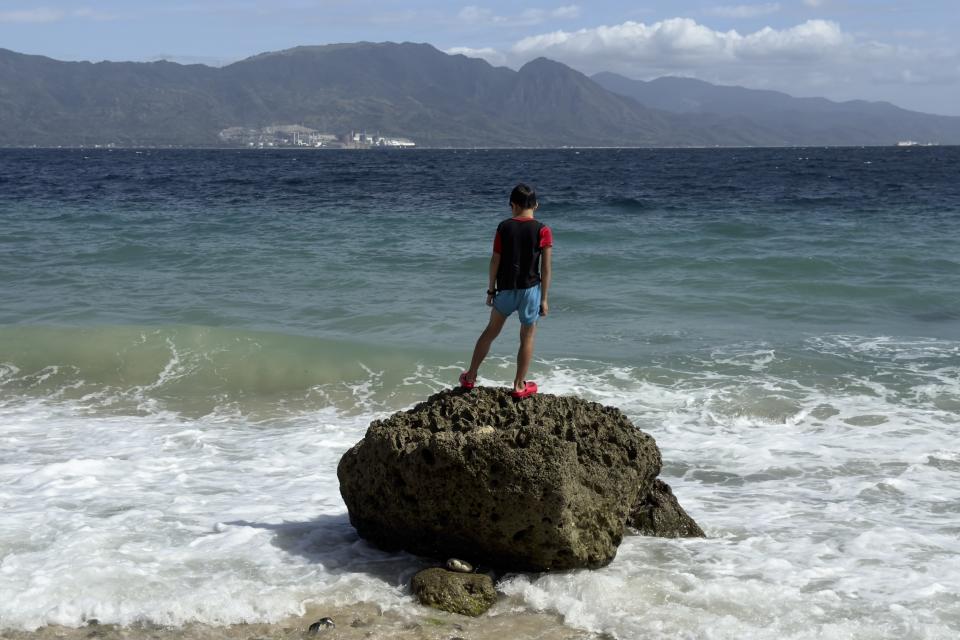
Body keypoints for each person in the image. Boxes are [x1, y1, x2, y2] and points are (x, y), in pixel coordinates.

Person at [459, 183, 553, 398]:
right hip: (530, 291)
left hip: (506, 290)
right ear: (536, 205)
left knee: (490, 332)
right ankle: (519, 386)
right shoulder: (543, 229)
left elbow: (495, 261)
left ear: (512, 205)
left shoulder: (503, 227)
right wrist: (544, 299)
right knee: (527, 337)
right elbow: (546, 268)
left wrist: (491, 290)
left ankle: (471, 376)